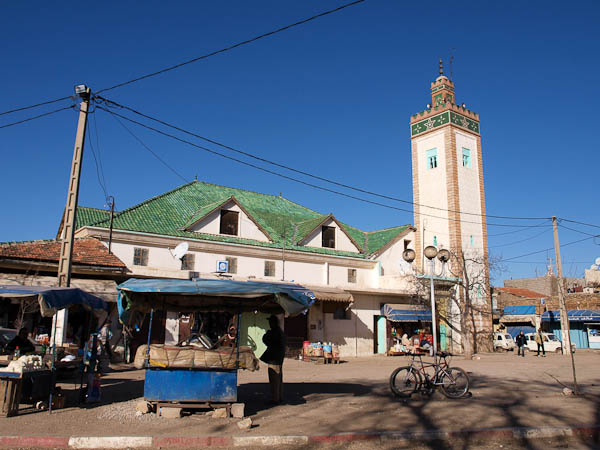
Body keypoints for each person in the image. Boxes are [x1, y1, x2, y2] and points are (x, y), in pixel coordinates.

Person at [260, 315, 286, 405]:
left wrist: (267, 334)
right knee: (279, 379)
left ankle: (275, 399)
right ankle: (279, 396)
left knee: (274, 379)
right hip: (278, 358)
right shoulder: (280, 332)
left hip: (274, 359)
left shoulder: (275, 332)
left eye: (270, 322)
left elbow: (266, 339)